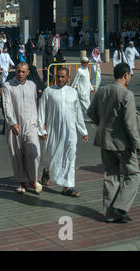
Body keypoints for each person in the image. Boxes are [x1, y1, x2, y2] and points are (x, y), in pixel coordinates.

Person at [87, 63, 140, 223]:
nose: (129, 78)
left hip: (105, 139)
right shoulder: (127, 94)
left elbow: (91, 112)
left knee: (111, 175)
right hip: (122, 142)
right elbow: (130, 124)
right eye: (130, 75)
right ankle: (121, 206)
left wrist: (103, 124)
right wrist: (138, 144)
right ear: (125, 75)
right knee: (134, 174)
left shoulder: (102, 90)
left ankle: (111, 214)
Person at [38, 68, 89, 196]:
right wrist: (41, 129)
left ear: (67, 78)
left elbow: (78, 113)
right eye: (58, 77)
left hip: (70, 132)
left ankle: (68, 187)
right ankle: (48, 170)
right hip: (53, 131)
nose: (60, 79)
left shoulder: (73, 92)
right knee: (51, 155)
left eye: (62, 77)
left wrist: (83, 130)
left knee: (70, 156)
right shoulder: (48, 91)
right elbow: (41, 111)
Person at [2, 63, 42, 195]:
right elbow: (7, 106)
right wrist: (12, 123)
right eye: (18, 71)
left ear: (28, 72)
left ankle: (33, 179)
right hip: (15, 126)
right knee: (17, 154)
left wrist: (39, 124)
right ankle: (22, 182)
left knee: (33, 151)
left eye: (23, 72)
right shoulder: (8, 86)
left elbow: (35, 104)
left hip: (31, 125)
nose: (20, 74)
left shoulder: (32, 85)